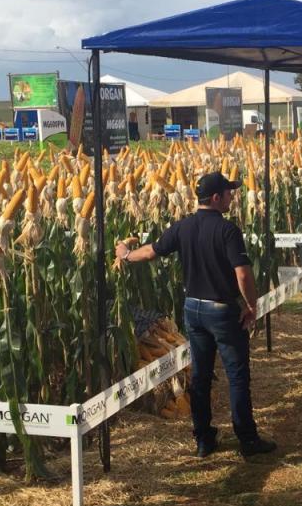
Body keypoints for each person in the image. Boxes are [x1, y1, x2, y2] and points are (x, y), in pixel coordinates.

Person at [114, 172, 276, 459]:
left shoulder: (183, 227)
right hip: (222, 311)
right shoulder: (227, 231)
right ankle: (248, 440)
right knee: (237, 376)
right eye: (228, 193)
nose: (232, 197)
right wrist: (251, 306)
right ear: (216, 198)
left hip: (193, 309)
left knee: (200, 376)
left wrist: (126, 255)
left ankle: (203, 439)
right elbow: (243, 273)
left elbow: (151, 252)